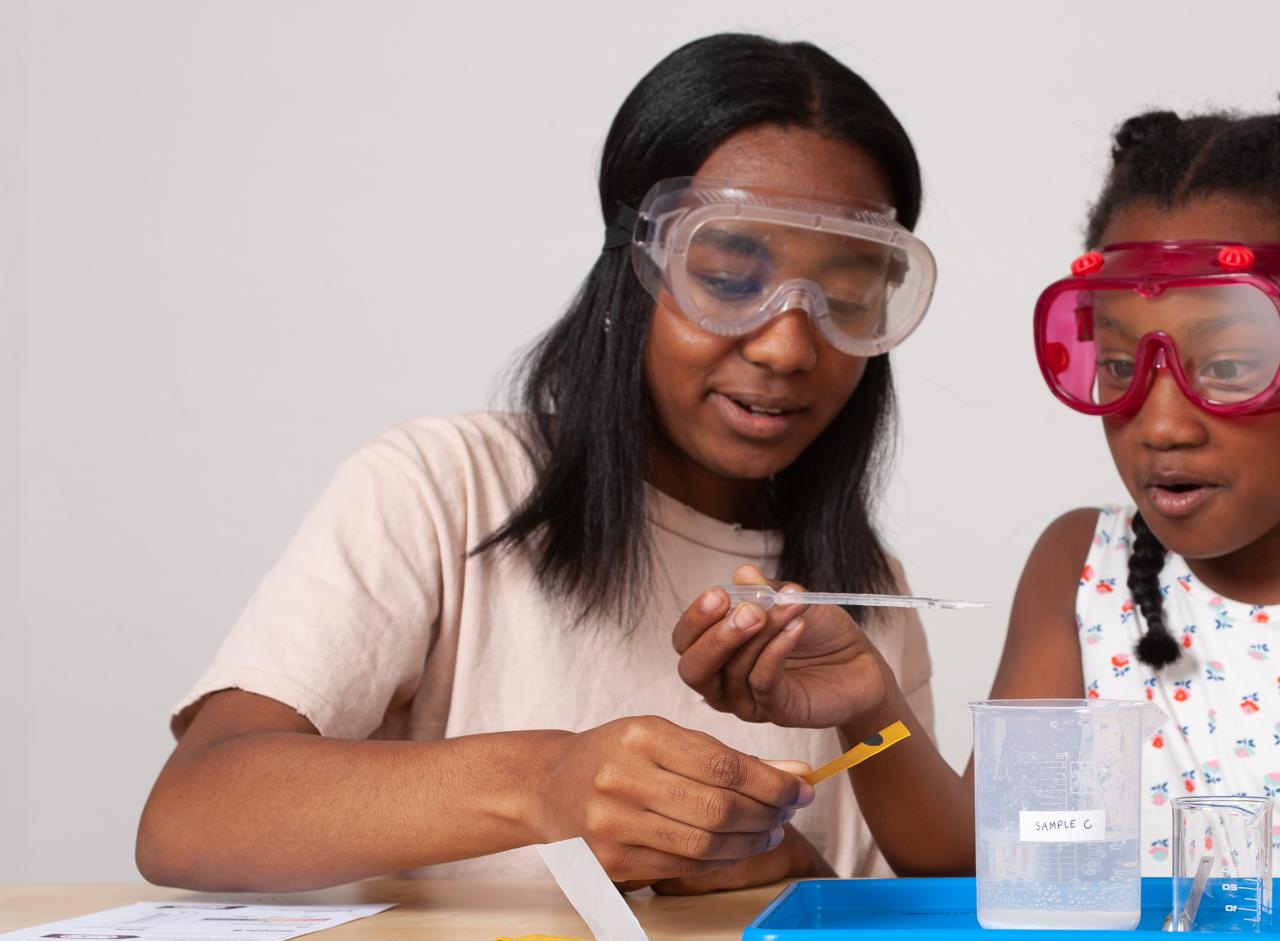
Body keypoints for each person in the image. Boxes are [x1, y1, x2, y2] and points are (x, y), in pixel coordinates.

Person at [673, 86, 1280, 878]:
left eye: (1228, 365)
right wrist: (868, 702)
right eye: (1116, 365)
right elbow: (979, 862)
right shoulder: (1082, 566)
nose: (1161, 420)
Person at [137, 33, 937, 893]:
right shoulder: (443, 488)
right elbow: (190, 813)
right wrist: (541, 785)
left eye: (846, 297)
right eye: (730, 278)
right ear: (632, 270)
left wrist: (792, 872)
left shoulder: (863, 602)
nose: (787, 345)